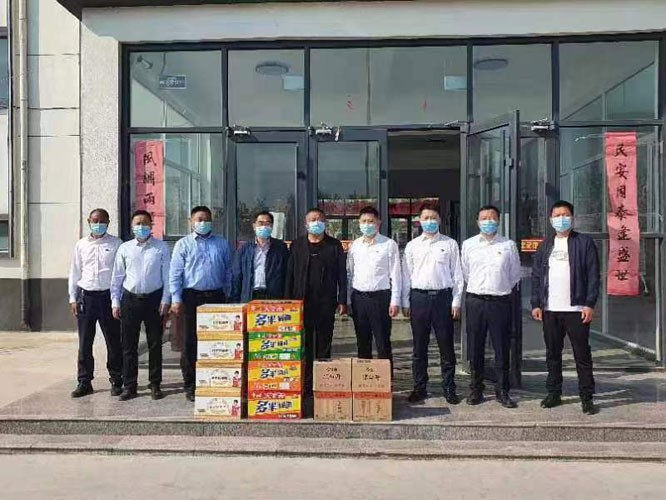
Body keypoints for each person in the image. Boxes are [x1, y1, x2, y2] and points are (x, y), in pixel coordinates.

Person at [531, 200, 600, 415]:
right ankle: (554, 393)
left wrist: (589, 304)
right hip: (550, 309)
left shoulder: (584, 243)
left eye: (565, 215)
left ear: (572, 217)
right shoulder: (545, 245)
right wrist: (536, 303)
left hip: (576, 309)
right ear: (551, 219)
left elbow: (593, 276)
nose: (561, 219)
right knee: (553, 354)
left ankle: (586, 397)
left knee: (582, 354)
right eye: (557, 215)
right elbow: (536, 276)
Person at [169, 206, 232, 402]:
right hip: (191, 297)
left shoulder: (222, 243)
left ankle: (215, 381)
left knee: (217, 341)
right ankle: (191, 384)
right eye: (199, 219)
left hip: (216, 297)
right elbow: (175, 273)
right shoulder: (183, 244)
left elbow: (229, 272)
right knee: (190, 342)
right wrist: (176, 298)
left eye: (206, 219)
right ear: (191, 221)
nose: (203, 223)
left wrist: (229, 296)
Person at [402, 204, 463, 405]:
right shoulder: (412, 246)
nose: (430, 221)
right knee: (419, 347)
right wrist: (405, 302)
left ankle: (449, 388)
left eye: (433, 217)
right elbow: (406, 276)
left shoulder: (450, 244)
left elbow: (457, 275)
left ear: (439, 220)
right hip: (419, 298)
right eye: (426, 217)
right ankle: (419, 387)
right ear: (419, 220)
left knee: (446, 346)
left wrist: (456, 301)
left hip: (443, 299)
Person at [461, 205, 521, 408]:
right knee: (475, 346)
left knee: (501, 347)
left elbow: (514, 275)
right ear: (477, 222)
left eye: (492, 218)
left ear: (498, 221)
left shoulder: (508, 245)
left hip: (500, 302)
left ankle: (502, 390)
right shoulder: (468, 245)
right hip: (475, 301)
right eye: (484, 218)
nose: (488, 221)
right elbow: (466, 272)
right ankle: (476, 389)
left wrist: (499, 287)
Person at [285, 208, 347, 397]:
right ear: (306, 224)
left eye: (319, 219)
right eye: (312, 219)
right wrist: (288, 301)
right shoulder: (297, 245)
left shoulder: (334, 245)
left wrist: (342, 299)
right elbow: (290, 275)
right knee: (304, 345)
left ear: (325, 222)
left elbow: (342, 275)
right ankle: (305, 383)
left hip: (326, 302)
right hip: (301, 302)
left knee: (324, 344)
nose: (316, 222)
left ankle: (322, 383)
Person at [110, 210, 171, 401]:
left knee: (155, 344)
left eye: (145, 223)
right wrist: (115, 301)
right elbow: (117, 277)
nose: (142, 227)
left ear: (151, 225)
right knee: (129, 346)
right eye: (138, 223)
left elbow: (167, 276)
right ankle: (130, 386)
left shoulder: (161, 247)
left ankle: (155, 384)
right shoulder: (125, 248)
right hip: (130, 299)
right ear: (132, 226)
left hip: (154, 300)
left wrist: (166, 300)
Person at [67, 208, 123, 398]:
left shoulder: (116, 243)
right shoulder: (81, 245)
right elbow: (75, 272)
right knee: (85, 342)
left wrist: (117, 300)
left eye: (102, 221)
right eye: (95, 220)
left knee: (113, 341)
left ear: (108, 222)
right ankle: (84, 381)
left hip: (108, 298)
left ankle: (117, 379)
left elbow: (119, 274)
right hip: (86, 298)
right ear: (89, 221)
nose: (98, 224)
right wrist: (73, 298)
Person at [347, 206, 401, 364]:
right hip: (359, 298)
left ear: (378, 222)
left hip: (380, 299)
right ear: (359, 223)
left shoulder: (389, 244)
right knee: (362, 342)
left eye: (371, 221)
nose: (367, 225)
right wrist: (348, 300)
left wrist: (395, 301)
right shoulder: (355, 245)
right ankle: (365, 376)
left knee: (383, 342)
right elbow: (350, 273)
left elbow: (395, 274)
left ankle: (385, 377)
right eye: (364, 221)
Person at [230, 211, 289, 302]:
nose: (264, 226)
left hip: (273, 297)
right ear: (254, 226)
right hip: (250, 296)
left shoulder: (280, 248)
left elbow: (286, 274)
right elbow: (237, 276)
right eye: (260, 223)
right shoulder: (244, 249)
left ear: (272, 226)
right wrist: (235, 299)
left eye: (267, 223)